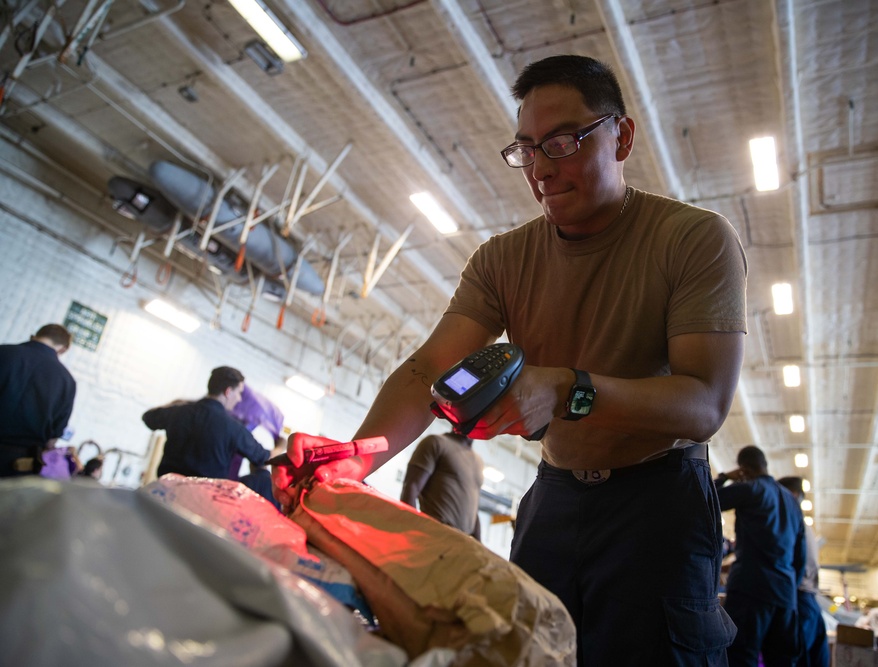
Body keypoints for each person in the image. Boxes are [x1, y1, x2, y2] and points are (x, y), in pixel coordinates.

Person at [274, 54, 747, 665]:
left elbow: (704, 402)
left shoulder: (692, 239)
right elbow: (427, 371)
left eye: (563, 142)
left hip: (658, 501)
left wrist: (566, 389)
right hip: (555, 497)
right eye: (527, 148)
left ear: (621, 135)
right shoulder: (502, 260)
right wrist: (355, 460)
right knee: (524, 649)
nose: (542, 169)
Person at [716, 446, 806, 666]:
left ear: (744, 469)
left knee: (741, 656)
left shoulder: (752, 489)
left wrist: (725, 477)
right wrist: (790, 588)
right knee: (782, 660)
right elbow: (800, 556)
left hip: (752, 589)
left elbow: (707, 498)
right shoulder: (793, 502)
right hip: (785, 596)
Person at [143, 366, 271, 479]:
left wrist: (176, 403)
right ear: (228, 392)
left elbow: (148, 418)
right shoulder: (234, 428)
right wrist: (280, 445)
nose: (239, 399)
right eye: (239, 393)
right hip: (202, 499)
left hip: (164, 492)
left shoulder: (179, 411)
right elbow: (263, 457)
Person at [0, 323, 77, 477]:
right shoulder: (67, 381)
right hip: (18, 465)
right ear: (63, 349)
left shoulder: (3, 353)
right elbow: (53, 437)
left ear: (34, 336)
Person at [779, 475, 830, 667]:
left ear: (791, 494)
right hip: (809, 600)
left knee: (796, 658)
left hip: (800, 599)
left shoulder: (792, 524)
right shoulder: (805, 526)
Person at [400, 432, 484, 539]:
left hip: (462, 542)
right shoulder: (436, 443)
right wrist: (411, 530)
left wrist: (478, 544)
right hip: (434, 534)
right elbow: (411, 487)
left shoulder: (478, 461)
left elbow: (473, 507)